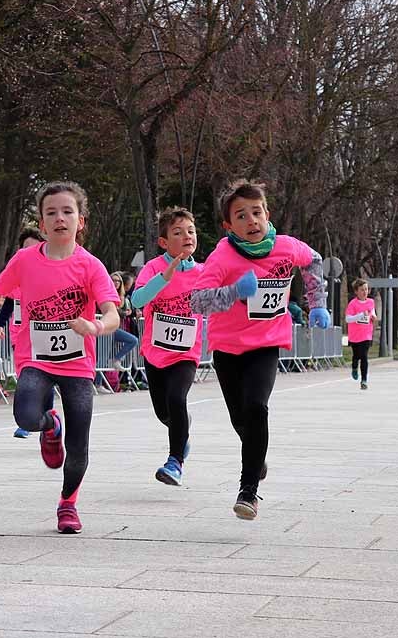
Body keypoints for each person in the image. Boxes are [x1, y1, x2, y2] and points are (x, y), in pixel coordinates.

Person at [0, 181, 121, 534]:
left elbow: (112, 313)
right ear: (41, 224)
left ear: (80, 221)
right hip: (35, 359)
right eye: (51, 212)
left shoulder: (91, 266)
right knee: (26, 415)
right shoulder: (25, 260)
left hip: (77, 365)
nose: (59, 218)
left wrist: (97, 326)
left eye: (67, 211)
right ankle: (49, 425)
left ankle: (68, 504)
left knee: (79, 444)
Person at [190, 180, 330, 521]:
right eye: (241, 216)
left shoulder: (286, 247)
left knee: (257, 408)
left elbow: (313, 261)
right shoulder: (222, 256)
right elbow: (197, 300)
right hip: (228, 348)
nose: (251, 221)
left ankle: (248, 491)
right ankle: (257, 453)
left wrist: (317, 303)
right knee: (242, 420)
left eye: (257, 212)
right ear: (228, 226)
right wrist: (234, 291)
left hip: (267, 343)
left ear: (268, 214)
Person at [131, 207, 204, 486]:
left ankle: (175, 463)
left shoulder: (203, 271)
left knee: (177, 399)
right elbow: (137, 301)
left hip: (186, 353)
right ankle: (181, 432)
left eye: (190, 231)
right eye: (178, 232)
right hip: (155, 353)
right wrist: (164, 278)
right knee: (165, 413)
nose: (186, 236)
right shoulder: (153, 268)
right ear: (164, 242)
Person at [0, 227, 50, 435]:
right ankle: (27, 421)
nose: (29, 251)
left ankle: (46, 419)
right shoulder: (17, 277)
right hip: (20, 335)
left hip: (44, 335)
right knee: (26, 379)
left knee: (45, 380)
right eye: (24, 247)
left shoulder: (50, 276)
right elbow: (8, 305)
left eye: (33, 247)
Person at [345, 278, 378, 390]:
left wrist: (373, 317)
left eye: (366, 289)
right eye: (362, 290)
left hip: (366, 334)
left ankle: (364, 380)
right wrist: (359, 316)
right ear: (356, 291)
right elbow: (348, 319)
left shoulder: (371, 302)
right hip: (355, 335)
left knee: (364, 356)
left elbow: (372, 312)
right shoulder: (353, 304)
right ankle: (354, 367)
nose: (365, 292)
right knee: (356, 356)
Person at [108, 271, 139, 374]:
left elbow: (128, 309)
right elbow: (111, 310)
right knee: (102, 357)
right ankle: (98, 383)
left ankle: (116, 359)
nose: (116, 282)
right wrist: (124, 313)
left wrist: (131, 312)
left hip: (116, 327)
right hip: (106, 327)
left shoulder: (122, 296)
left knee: (133, 340)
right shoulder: (106, 293)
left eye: (118, 281)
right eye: (113, 280)